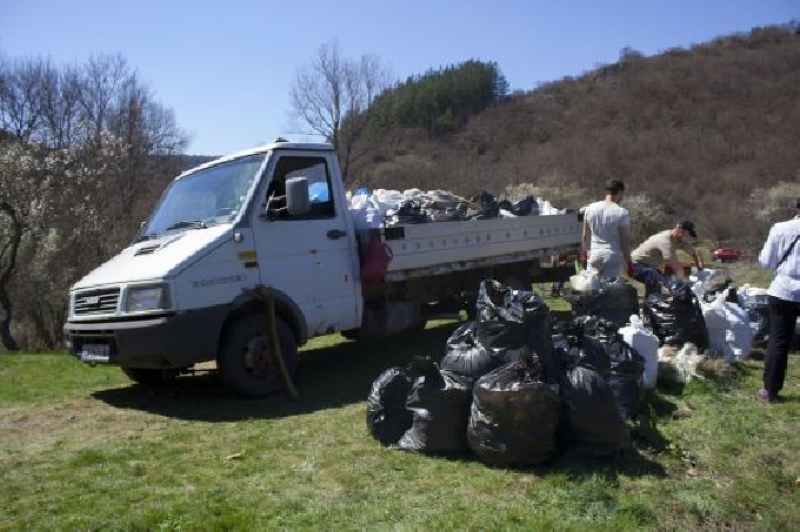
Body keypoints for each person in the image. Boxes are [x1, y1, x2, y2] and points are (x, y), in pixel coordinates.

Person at [756, 198, 800, 403]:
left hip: (783, 291)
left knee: (779, 341)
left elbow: (766, 261)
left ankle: (770, 390)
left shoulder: (781, 228)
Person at [581, 180, 633, 279]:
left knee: (594, 287)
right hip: (612, 256)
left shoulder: (590, 208)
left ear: (607, 191)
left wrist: (584, 253)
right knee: (610, 289)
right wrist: (629, 262)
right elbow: (624, 241)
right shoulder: (622, 213)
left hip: (595, 254)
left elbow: (585, 235)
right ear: (620, 192)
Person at [631, 220, 704, 281]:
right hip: (635, 265)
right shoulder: (666, 241)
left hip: (649, 267)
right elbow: (676, 268)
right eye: (689, 234)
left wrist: (700, 269)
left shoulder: (679, 241)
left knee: (665, 283)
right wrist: (686, 283)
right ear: (681, 231)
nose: (689, 238)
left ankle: (653, 297)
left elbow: (696, 253)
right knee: (660, 282)